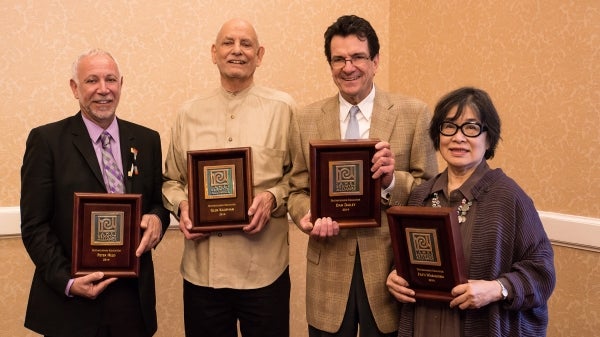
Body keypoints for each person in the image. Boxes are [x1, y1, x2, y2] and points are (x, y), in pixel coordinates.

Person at [287, 15, 438, 337]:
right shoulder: (306, 118)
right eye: (338, 59)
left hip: (389, 270)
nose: (348, 67)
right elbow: (297, 189)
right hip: (327, 270)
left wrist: (391, 181)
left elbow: (430, 193)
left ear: (375, 61)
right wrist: (306, 216)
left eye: (357, 57)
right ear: (330, 64)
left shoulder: (414, 114)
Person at [20, 49, 171, 337]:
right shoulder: (47, 141)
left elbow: (157, 203)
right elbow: (33, 225)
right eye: (92, 81)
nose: (103, 90)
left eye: (110, 80)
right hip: (70, 306)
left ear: (121, 84)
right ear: (75, 88)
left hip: (132, 303)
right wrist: (67, 281)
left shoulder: (147, 140)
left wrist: (157, 219)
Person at [386, 86, 556, 337]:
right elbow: (404, 260)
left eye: (471, 128)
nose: (458, 137)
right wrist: (394, 277)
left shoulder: (508, 197)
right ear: (438, 134)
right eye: (449, 126)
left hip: (480, 325)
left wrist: (497, 288)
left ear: (489, 138)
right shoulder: (420, 196)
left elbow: (542, 273)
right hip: (423, 325)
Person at [162, 18, 295, 337]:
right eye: (228, 43)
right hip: (202, 274)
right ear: (214, 52)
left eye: (246, 44)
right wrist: (181, 206)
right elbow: (170, 180)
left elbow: (300, 179)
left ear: (259, 55)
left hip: (265, 272)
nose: (237, 51)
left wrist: (273, 196)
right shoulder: (188, 112)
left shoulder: (284, 108)